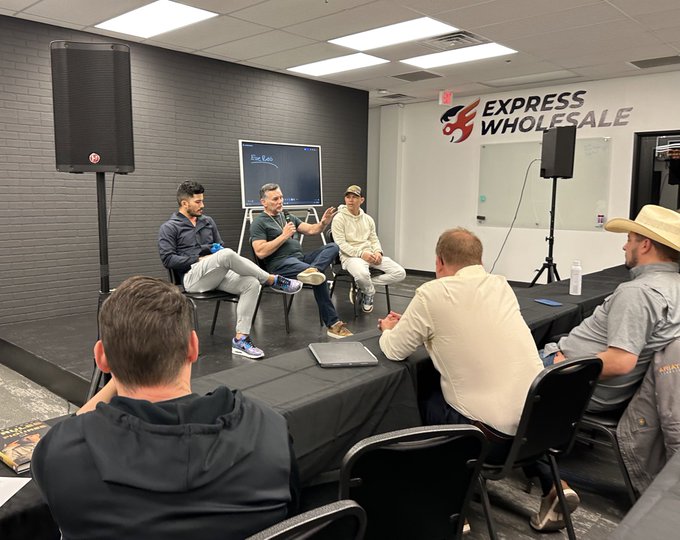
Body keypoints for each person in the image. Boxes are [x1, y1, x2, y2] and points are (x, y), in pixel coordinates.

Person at [32, 276, 299, 540]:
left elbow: (72, 428)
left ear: (101, 357)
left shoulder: (60, 452)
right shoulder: (269, 429)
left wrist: (120, 366)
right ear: (193, 347)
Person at [378, 227, 575, 532]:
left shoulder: (431, 294)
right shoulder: (501, 285)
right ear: (480, 261)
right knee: (508, 401)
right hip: (537, 429)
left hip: (491, 441)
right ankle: (555, 485)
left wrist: (389, 330)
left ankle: (450, 502)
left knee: (423, 397)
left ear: (439, 262)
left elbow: (395, 350)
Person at [543, 205, 680, 412]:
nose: (624, 247)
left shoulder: (638, 293)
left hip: (573, 382)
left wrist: (565, 367)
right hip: (601, 388)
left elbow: (620, 362)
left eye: (629, 240)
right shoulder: (673, 285)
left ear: (645, 245)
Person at [159, 180, 302, 359]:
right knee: (226, 254)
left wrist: (215, 252)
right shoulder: (169, 227)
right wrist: (198, 258)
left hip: (216, 275)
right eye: (198, 202)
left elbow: (219, 246)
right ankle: (272, 279)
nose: (202, 205)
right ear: (184, 203)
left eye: (203, 200)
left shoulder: (208, 222)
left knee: (251, 283)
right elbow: (168, 259)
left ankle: (241, 340)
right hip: (192, 278)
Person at [251, 183, 352, 339]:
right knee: (319, 279)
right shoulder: (259, 223)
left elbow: (312, 229)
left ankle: (313, 270)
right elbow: (260, 252)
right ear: (263, 202)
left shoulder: (287, 216)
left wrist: (323, 222)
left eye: (281, 197)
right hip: (280, 265)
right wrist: (284, 235)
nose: (280, 201)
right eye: (275, 199)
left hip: (300, 260)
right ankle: (333, 324)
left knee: (333, 247)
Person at [330, 184, 406, 313]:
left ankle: (361, 286)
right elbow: (341, 244)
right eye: (348, 197)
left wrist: (378, 252)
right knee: (362, 275)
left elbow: (373, 239)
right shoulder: (339, 219)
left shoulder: (368, 219)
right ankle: (369, 292)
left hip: (370, 254)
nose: (350, 200)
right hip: (350, 257)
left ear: (362, 200)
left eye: (354, 197)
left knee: (400, 273)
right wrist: (361, 253)